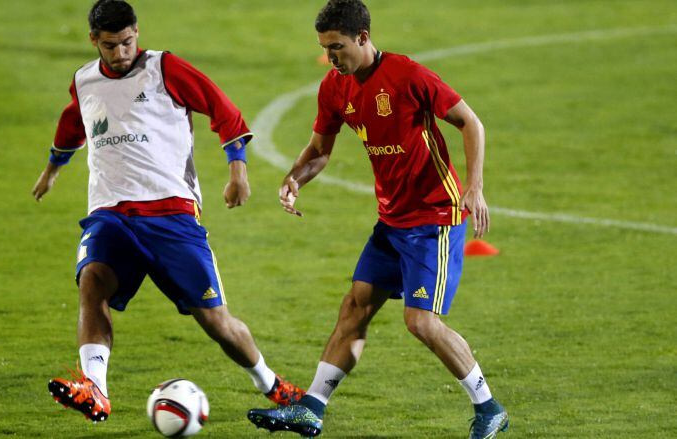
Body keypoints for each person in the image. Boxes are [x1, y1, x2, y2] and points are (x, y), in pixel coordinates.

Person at [32, 0, 304, 423]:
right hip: (111, 212)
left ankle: (271, 383)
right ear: (93, 42)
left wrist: (238, 172)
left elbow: (223, 109)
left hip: (172, 214)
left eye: (126, 42)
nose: (121, 53)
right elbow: (72, 124)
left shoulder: (164, 68)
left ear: (137, 32)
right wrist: (52, 170)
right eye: (110, 46)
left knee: (216, 322)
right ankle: (96, 388)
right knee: (92, 282)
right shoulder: (84, 81)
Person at [247, 1, 508, 438]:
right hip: (392, 221)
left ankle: (489, 408)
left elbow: (470, 123)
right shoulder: (335, 87)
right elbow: (320, 150)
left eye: (338, 47)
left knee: (420, 321)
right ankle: (311, 407)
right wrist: (294, 178)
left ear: (363, 39)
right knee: (355, 307)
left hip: (435, 218)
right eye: (325, 48)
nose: (331, 58)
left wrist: (475, 186)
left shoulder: (407, 75)